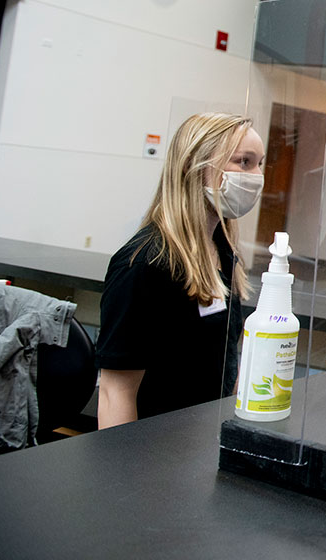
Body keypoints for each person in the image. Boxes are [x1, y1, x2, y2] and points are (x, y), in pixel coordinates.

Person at [96, 112, 265, 429]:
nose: (256, 175)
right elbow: (115, 392)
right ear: (193, 166)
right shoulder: (144, 263)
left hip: (201, 435)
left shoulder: (222, 250)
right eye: (244, 162)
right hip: (154, 450)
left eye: (259, 163)